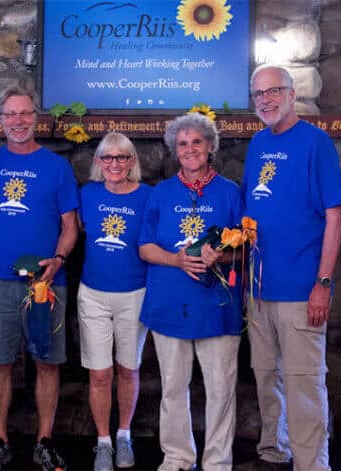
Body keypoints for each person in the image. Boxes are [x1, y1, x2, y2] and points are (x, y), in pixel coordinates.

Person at [242, 65, 341, 471]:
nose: (266, 100)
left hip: (302, 289)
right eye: (259, 94)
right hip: (259, 289)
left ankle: (312, 465)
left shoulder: (316, 143)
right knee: (267, 379)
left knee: (304, 385)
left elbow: (335, 216)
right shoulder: (257, 144)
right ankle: (274, 452)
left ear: (291, 94)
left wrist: (322, 284)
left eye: (273, 91)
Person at [0, 87, 78, 471]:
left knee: (48, 362)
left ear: (37, 118)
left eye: (25, 114)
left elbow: (71, 226)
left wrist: (59, 258)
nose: (18, 121)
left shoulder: (57, 167)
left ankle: (44, 441)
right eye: (11, 114)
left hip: (46, 281)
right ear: (0, 120)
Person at [139, 113, 243, 470]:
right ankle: (178, 456)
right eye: (182, 144)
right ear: (174, 149)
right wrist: (177, 260)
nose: (189, 149)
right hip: (169, 305)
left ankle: (217, 462)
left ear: (210, 145)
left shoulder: (231, 192)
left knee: (220, 391)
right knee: (172, 387)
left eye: (196, 141)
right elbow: (145, 248)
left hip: (217, 306)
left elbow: (246, 246)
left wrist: (224, 254)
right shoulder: (161, 193)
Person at [78, 132, 152, 470]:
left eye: (122, 157)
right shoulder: (87, 194)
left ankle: (124, 435)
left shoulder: (149, 197)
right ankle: (103, 442)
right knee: (100, 373)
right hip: (92, 294)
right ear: (98, 163)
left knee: (128, 368)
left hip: (134, 294)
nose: (114, 164)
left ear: (132, 161)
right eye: (107, 158)